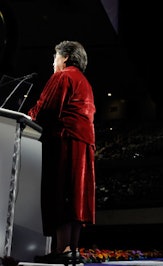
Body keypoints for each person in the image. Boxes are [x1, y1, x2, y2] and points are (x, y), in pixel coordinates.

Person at [28, 40, 96, 264]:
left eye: (55, 57)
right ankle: (72, 249)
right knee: (75, 196)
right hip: (84, 143)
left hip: (65, 141)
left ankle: (61, 250)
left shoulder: (63, 76)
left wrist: (30, 116)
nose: (53, 62)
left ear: (65, 57)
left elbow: (46, 108)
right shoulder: (84, 82)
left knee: (61, 192)